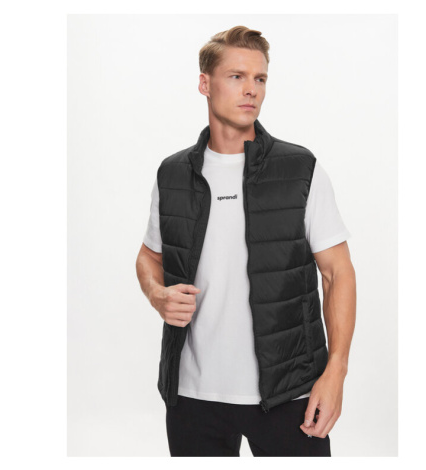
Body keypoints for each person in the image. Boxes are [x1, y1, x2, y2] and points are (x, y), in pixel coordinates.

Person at [136, 25, 356, 457]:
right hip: (192, 395)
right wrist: (158, 295)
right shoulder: (173, 174)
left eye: (260, 78)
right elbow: (148, 255)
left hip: (289, 391)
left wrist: (336, 373)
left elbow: (338, 273)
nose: (251, 89)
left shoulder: (300, 170)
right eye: (236, 76)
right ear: (205, 84)